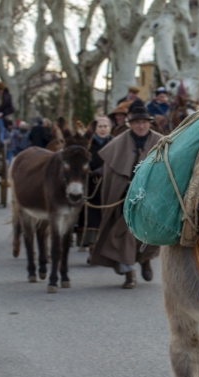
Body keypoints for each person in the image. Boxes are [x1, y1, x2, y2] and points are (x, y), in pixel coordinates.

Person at [91, 106, 162, 289]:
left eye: (144, 122)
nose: (141, 126)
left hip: (151, 199)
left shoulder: (161, 142)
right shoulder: (118, 143)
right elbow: (111, 173)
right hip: (125, 199)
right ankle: (130, 273)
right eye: (137, 122)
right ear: (130, 124)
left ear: (149, 123)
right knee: (125, 234)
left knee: (150, 235)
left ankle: (145, 261)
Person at [76, 116, 114, 262]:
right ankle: (92, 248)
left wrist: (104, 169)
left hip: (109, 184)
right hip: (91, 185)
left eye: (105, 126)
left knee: (107, 215)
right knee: (91, 215)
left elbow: (118, 159)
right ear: (95, 129)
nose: (103, 129)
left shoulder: (115, 142)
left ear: (110, 128)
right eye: (100, 126)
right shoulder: (88, 143)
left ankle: (106, 249)